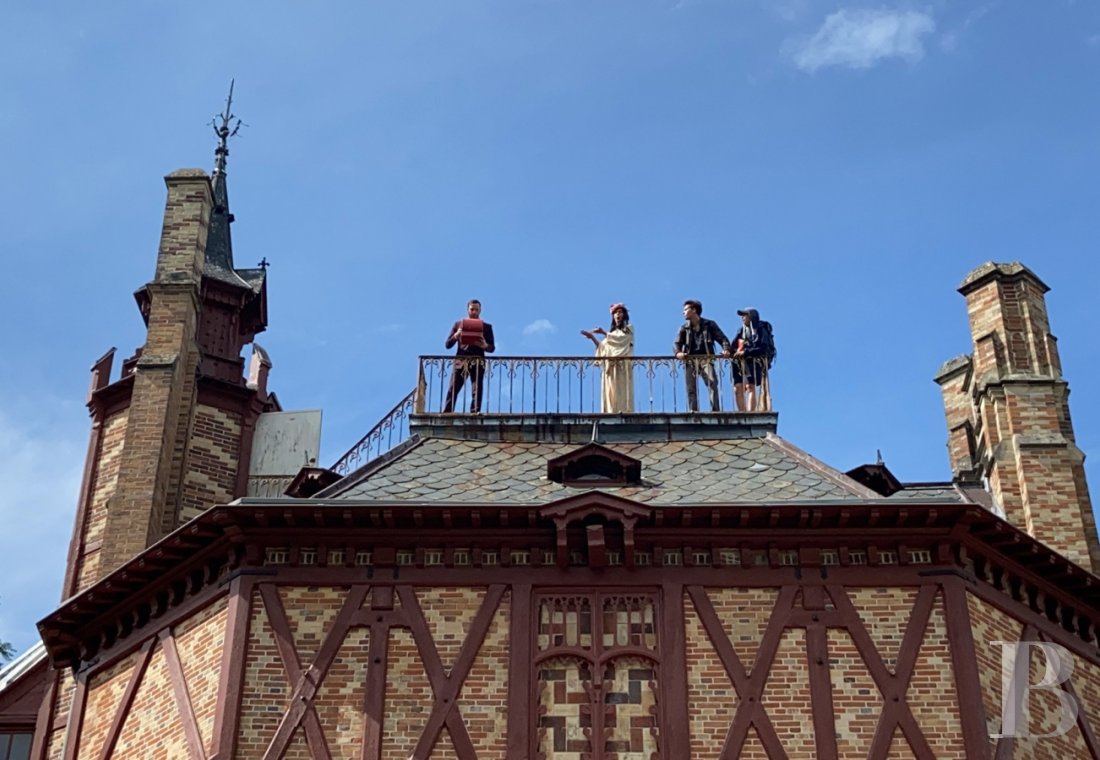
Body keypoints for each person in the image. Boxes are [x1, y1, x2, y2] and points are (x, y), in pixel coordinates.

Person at [673, 300, 731, 412]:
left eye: (685, 310)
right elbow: (676, 343)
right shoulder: (684, 328)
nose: (683, 312)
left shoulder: (709, 325)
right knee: (691, 387)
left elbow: (722, 338)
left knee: (712, 382)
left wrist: (726, 350)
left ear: (694, 310)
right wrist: (678, 353)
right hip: (689, 360)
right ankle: (693, 410)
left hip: (706, 358)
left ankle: (715, 410)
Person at [442, 299, 496, 413]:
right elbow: (447, 344)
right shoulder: (458, 324)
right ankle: (447, 412)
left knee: (477, 388)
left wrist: (485, 345)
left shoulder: (486, 327)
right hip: (461, 360)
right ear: (468, 310)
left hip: (478, 360)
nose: (474, 312)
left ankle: (475, 411)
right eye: (472, 309)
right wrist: (456, 335)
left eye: (477, 310)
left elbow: (492, 348)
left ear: (480, 310)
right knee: (453, 387)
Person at [581, 303, 635, 413]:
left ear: (624, 315)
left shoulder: (629, 329)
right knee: (611, 393)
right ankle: (611, 412)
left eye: (620, 312)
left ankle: (624, 412)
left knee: (622, 391)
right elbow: (603, 348)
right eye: (615, 313)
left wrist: (603, 332)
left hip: (622, 367)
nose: (617, 314)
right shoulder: (611, 334)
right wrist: (592, 338)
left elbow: (621, 339)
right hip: (610, 368)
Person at [732, 307, 775, 412]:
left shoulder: (760, 329)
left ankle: (750, 412)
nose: (742, 318)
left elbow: (763, 348)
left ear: (751, 317)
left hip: (754, 362)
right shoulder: (741, 331)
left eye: (745, 315)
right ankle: (742, 412)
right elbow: (733, 345)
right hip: (740, 362)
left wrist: (746, 352)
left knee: (750, 386)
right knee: (738, 388)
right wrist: (728, 351)